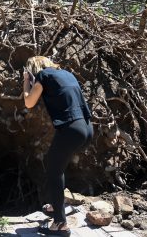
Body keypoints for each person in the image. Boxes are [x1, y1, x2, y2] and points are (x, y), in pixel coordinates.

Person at [21, 56, 93, 236]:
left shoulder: (43, 75)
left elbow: (29, 102)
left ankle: (60, 224)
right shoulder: (67, 74)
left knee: (53, 170)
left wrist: (26, 81)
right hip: (87, 128)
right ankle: (56, 205)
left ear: (34, 69)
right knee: (55, 166)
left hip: (72, 130)